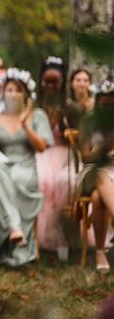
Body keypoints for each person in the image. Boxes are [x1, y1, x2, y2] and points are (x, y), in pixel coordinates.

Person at [0, 68, 53, 266]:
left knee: (16, 179)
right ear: (3, 93)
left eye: (18, 90)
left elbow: (41, 147)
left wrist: (26, 125)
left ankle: (16, 243)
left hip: (26, 166)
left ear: (26, 94)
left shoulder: (37, 116)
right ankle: (14, 228)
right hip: (3, 164)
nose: (13, 94)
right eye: (9, 90)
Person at [34, 56, 73, 256]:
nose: (50, 86)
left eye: (54, 82)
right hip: (40, 152)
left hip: (64, 153)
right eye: (46, 81)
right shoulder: (33, 104)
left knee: (61, 183)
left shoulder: (68, 106)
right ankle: (37, 237)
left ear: (62, 83)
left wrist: (64, 124)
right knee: (41, 180)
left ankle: (63, 238)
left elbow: (76, 138)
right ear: (40, 81)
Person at [76, 79, 114, 272]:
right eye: (104, 106)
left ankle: (100, 251)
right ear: (97, 103)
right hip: (91, 171)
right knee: (100, 175)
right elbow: (84, 156)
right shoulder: (87, 121)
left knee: (99, 198)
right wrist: (103, 149)